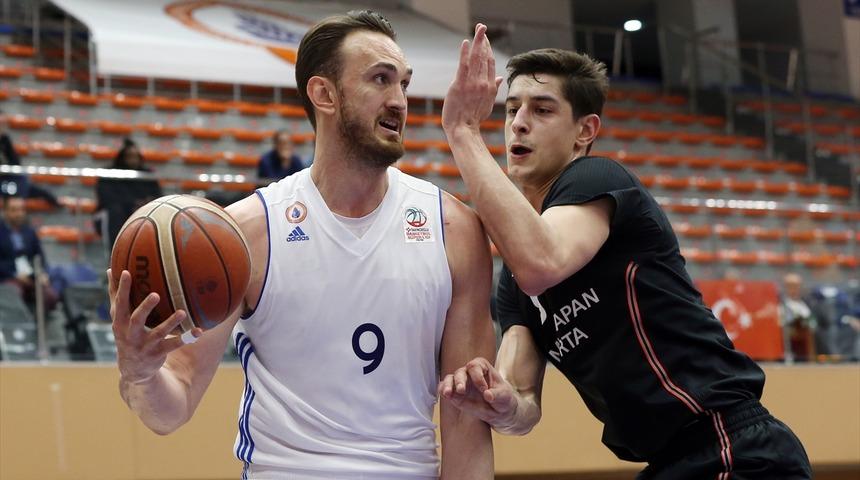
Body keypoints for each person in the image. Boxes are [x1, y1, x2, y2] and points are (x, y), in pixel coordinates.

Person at [108, 11, 495, 479]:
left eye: (404, 84)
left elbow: (467, 419)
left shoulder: (454, 227)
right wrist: (140, 371)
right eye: (380, 79)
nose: (398, 101)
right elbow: (171, 407)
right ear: (323, 94)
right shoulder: (247, 232)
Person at [438, 25, 812, 479]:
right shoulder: (512, 284)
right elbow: (523, 404)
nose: (518, 122)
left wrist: (462, 131)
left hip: (729, 443)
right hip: (672, 462)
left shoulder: (596, 178)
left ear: (585, 131)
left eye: (542, 109)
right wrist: (498, 403)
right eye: (512, 108)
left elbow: (543, 262)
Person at [95, 138, 162, 246]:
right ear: (122, 157)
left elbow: (157, 196)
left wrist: (145, 205)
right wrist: (132, 204)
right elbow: (107, 199)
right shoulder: (109, 174)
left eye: (136, 156)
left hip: (142, 213)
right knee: (115, 212)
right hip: (116, 215)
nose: (133, 160)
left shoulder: (147, 175)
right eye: (130, 156)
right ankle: (116, 254)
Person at [0, 196, 57, 313]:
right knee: (13, 293)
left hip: (31, 277)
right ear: (5, 211)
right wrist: (14, 274)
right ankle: (19, 329)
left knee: (50, 295)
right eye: (14, 210)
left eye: (21, 209)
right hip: (7, 277)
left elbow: (40, 257)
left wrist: (42, 273)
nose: (19, 213)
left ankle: (40, 327)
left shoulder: (29, 232)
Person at [779, 272, 816, 362]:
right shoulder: (779, 303)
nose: (794, 289)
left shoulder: (805, 303)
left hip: (803, 340)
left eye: (796, 286)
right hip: (785, 338)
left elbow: (812, 322)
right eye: (790, 286)